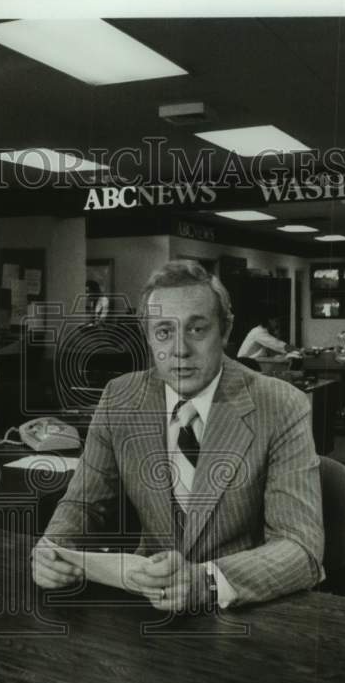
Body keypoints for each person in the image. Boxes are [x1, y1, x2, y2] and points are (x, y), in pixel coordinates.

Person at [32, 260, 324, 610]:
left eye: (197, 330)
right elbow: (83, 504)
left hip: (248, 609)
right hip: (150, 603)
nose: (179, 349)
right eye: (164, 332)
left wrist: (207, 582)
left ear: (226, 330)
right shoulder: (120, 398)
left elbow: (300, 548)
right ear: (147, 335)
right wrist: (51, 549)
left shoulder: (280, 405)